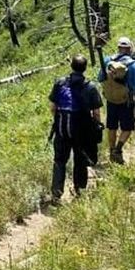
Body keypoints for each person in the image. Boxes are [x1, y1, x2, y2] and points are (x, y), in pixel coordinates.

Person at [48, 54, 103, 200]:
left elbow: (53, 106)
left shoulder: (60, 83)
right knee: (80, 160)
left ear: (71, 66)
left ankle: (56, 193)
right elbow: (96, 112)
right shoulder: (90, 87)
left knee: (60, 160)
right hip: (82, 130)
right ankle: (79, 191)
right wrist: (97, 126)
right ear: (85, 68)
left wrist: (58, 120)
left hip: (62, 129)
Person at [98, 37, 135, 164]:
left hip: (111, 100)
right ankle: (118, 150)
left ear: (118, 48)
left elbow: (99, 78)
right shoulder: (133, 65)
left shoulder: (108, 61)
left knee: (112, 127)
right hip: (127, 101)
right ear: (129, 49)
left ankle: (111, 150)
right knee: (127, 128)